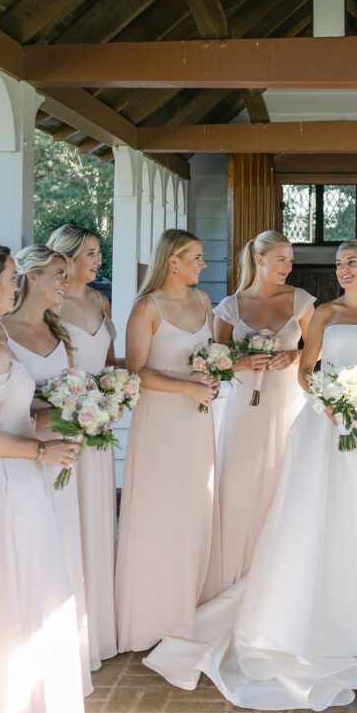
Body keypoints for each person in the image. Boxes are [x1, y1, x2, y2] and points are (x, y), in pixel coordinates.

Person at [144, 239, 357, 710]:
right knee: (313, 514)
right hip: (323, 424)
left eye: (352, 263)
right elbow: (305, 369)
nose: (344, 269)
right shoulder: (324, 313)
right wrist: (326, 399)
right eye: (340, 263)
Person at [0, 240, 86, 713]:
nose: (17, 284)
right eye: (10, 277)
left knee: (25, 597)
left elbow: (11, 415)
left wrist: (57, 421)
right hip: (1, 486)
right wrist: (44, 452)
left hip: (15, 478)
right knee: (11, 599)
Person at [115, 229, 218, 653]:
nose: (203, 264)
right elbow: (137, 372)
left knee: (195, 505)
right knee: (161, 508)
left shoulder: (204, 302)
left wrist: (213, 377)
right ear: (172, 262)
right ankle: (152, 612)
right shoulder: (147, 307)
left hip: (198, 421)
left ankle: (187, 603)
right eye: (196, 257)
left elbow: (211, 355)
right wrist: (188, 387)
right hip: (161, 421)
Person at [2, 244, 92, 696]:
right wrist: (46, 411)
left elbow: (71, 386)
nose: (65, 281)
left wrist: (86, 407)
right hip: (23, 453)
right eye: (58, 274)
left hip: (63, 450)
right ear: (31, 278)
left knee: (62, 545)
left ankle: (61, 656)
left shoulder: (59, 330)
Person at [206, 230, 314, 596]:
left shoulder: (301, 301)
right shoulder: (230, 307)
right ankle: (235, 576)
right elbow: (215, 361)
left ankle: (282, 580)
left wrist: (294, 355)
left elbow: (316, 350)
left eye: (290, 260)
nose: (288, 267)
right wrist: (244, 361)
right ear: (260, 259)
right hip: (244, 409)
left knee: (284, 481)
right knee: (239, 484)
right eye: (281, 259)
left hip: (287, 403)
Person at [48, 224, 118, 672]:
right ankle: (65, 631)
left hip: (100, 426)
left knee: (98, 517)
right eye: (91, 254)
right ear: (68, 258)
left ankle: (99, 627)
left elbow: (109, 362)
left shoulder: (100, 300)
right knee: (68, 521)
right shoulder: (47, 305)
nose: (97, 261)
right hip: (66, 423)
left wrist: (117, 391)